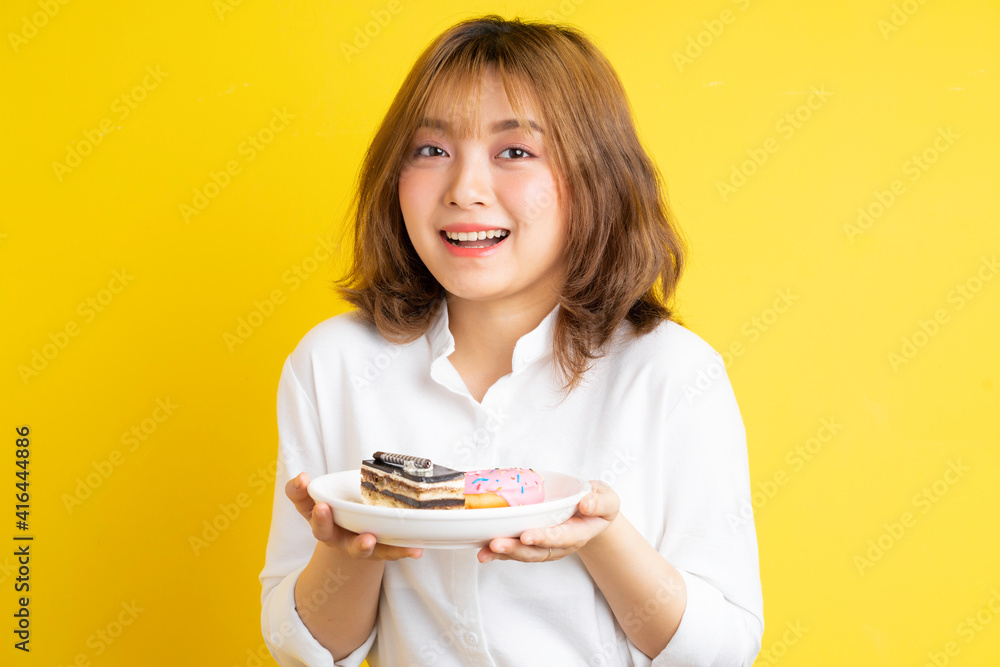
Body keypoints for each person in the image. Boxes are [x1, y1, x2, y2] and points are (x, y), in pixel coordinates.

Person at [259, 14, 763, 667]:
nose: (465, 189)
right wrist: (347, 545)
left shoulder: (672, 372)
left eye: (515, 151)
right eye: (431, 150)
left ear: (596, 176)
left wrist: (599, 534)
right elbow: (304, 646)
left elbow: (720, 652)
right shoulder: (331, 364)